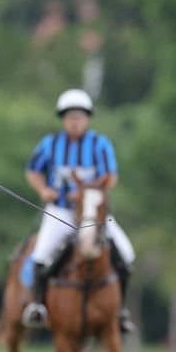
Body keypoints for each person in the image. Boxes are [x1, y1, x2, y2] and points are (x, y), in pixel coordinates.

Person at [20, 88, 136, 333]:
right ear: (63, 119)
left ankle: (121, 311)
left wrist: (88, 193)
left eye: (79, 117)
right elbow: (33, 171)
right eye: (70, 116)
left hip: (92, 214)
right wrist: (43, 190)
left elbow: (110, 177)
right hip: (60, 212)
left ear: (87, 119)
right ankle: (38, 306)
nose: (75, 121)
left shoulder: (100, 145)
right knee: (40, 256)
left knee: (126, 253)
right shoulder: (50, 144)